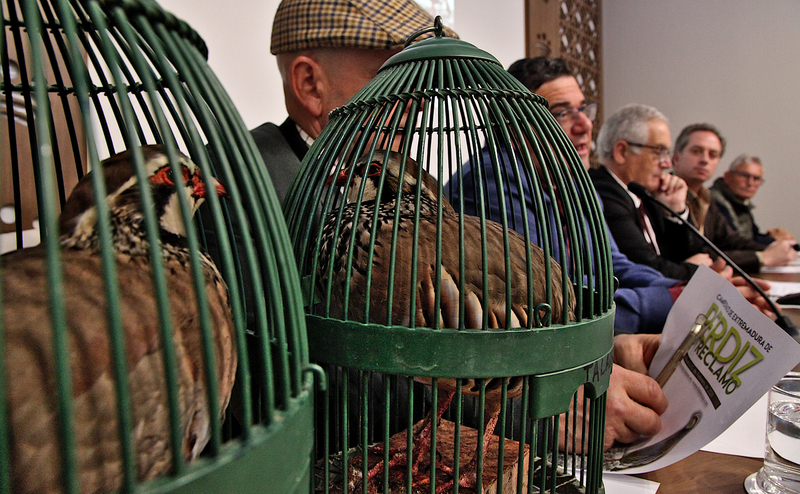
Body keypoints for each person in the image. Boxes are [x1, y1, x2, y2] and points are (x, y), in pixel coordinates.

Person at [256, 0, 456, 204]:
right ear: (311, 85)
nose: (419, 103)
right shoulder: (242, 187)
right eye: (392, 78)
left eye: (419, 79)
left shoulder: (423, 191)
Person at [590, 104, 712, 280]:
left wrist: (675, 211)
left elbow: (692, 253)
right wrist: (695, 271)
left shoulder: (643, 193)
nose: (667, 164)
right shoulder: (603, 193)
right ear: (622, 152)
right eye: (659, 152)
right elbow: (646, 269)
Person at [671, 124, 797, 272]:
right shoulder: (664, 194)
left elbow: (730, 240)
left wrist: (774, 248)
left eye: (713, 155)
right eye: (696, 151)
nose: (705, 160)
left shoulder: (706, 197)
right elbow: (697, 254)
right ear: (676, 157)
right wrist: (763, 257)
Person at [709, 153, 795, 245]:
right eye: (744, 176)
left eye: (756, 178)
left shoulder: (740, 203)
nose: (750, 183)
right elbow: (733, 242)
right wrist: (774, 241)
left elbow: (752, 236)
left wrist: (773, 237)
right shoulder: (714, 201)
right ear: (727, 176)